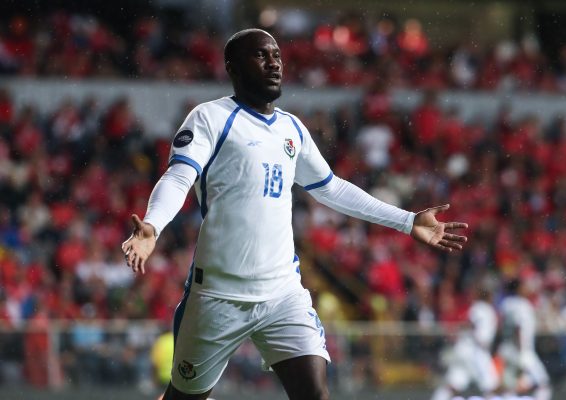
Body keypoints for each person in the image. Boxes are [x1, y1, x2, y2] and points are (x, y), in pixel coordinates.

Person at [121, 28, 468, 400]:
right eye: (260, 56)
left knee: (315, 394)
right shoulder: (211, 118)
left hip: (282, 293)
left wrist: (407, 220)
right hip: (217, 297)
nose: (273, 63)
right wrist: (152, 226)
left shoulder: (292, 129)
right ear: (232, 68)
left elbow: (331, 188)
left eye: (277, 56)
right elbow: (179, 176)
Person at [431, 286, 499, 400]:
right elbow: (475, 328)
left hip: (463, 349)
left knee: (455, 382)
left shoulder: (475, 308)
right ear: (488, 296)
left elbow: (467, 324)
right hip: (475, 351)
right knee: (491, 384)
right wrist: (479, 340)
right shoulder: (484, 309)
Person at [497, 279, 552, 400]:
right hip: (523, 350)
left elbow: (502, 325)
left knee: (517, 383)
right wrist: (521, 351)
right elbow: (518, 327)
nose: (527, 288)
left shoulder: (506, 303)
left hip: (509, 349)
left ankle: (508, 395)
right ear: (518, 289)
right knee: (543, 384)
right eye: (524, 286)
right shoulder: (522, 305)